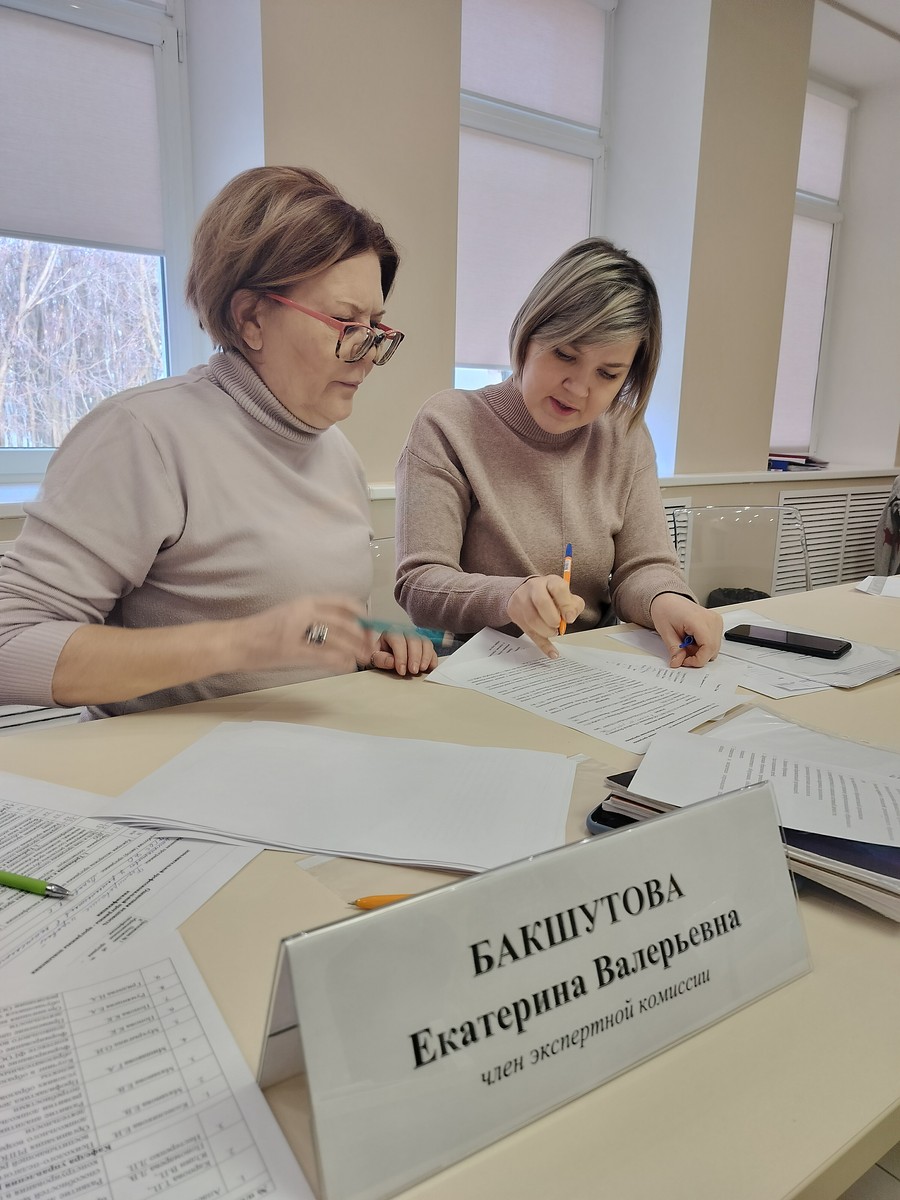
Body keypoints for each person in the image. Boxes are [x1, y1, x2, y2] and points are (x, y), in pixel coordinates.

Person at [0, 166, 436, 719]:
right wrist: (239, 643)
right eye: (345, 323)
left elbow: (303, 632)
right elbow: (10, 646)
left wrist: (363, 644)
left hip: (309, 750)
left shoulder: (335, 452)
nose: (369, 354)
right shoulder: (142, 435)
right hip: (169, 765)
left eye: (375, 327)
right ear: (251, 318)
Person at [395, 237, 723, 665]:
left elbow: (644, 567)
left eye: (608, 374)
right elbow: (419, 583)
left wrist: (668, 600)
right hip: (474, 663)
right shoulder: (449, 423)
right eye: (565, 355)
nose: (579, 389)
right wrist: (509, 597)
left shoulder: (625, 435)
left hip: (590, 664)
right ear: (529, 334)